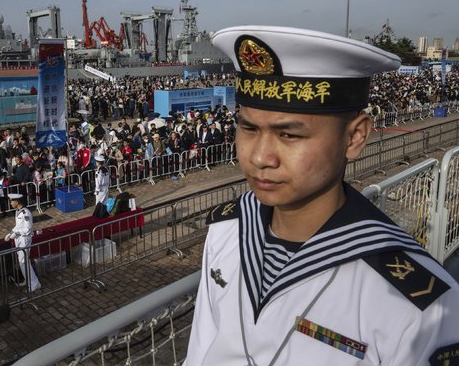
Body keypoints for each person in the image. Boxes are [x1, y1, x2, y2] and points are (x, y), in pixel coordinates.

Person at [184, 26, 459, 365]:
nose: (259, 158)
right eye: (249, 128)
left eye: (289, 134)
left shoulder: (423, 308)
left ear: (355, 137)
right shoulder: (226, 233)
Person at [4, 194, 41, 292]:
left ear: (17, 202)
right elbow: (18, 225)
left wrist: (16, 233)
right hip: (19, 239)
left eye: (12, 201)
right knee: (23, 263)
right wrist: (11, 232)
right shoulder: (18, 212)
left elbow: (28, 229)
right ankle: (28, 279)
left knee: (24, 262)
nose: (11, 203)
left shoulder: (25, 213)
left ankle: (34, 283)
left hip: (24, 239)